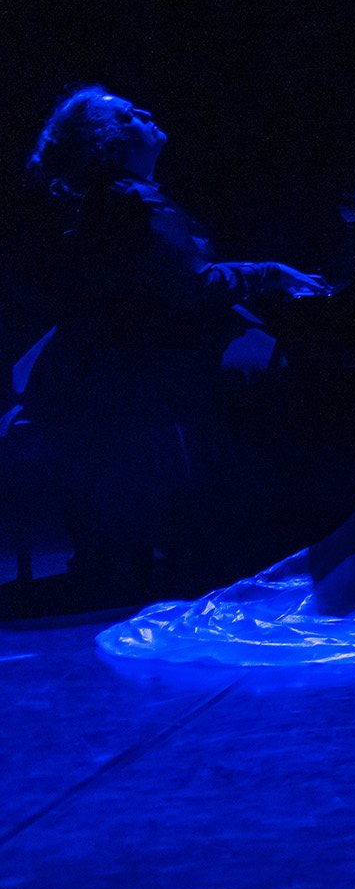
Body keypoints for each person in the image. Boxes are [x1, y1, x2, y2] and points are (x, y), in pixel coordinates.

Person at [18, 85, 329, 594]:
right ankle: (277, 536)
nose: (145, 111)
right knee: (279, 378)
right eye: (128, 114)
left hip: (117, 367)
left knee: (262, 365)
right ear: (109, 142)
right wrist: (272, 272)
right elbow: (193, 286)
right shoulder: (134, 201)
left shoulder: (116, 199)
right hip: (136, 375)